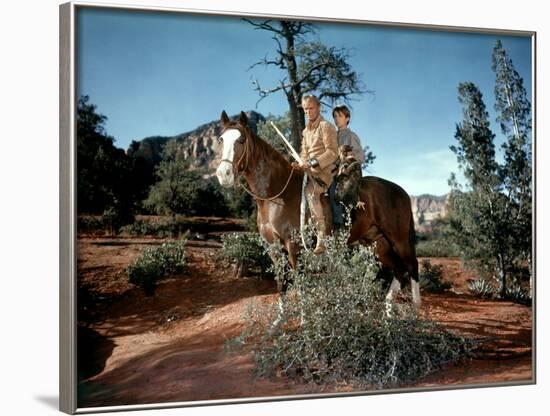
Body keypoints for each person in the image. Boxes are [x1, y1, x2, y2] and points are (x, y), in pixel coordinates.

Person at [291, 94, 339, 254]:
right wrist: (300, 164)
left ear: (318, 107)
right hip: (309, 171)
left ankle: (322, 239)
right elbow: (304, 153)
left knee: (310, 192)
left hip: (325, 171)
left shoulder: (326, 126)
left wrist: (311, 163)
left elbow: (333, 153)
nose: (308, 112)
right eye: (305, 109)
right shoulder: (306, 132)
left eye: (311, 108)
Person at [330, 105, 365, 228]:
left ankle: (339, 224)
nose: (336, 119)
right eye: (334, 116)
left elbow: (360, 157)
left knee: (334, 189)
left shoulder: (351, 136)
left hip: (349, 173)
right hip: (334, 170)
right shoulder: (332, 136)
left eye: (340, 116)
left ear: (347, 118)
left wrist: (345, 160)